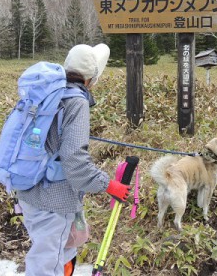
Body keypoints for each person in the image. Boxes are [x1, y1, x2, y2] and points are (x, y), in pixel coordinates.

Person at [16, 43, 131, 276]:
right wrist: (109, 185)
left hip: (28, 187)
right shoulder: (76, 101)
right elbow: (74, 160)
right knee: (47, 264)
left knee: (65, 248)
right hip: (53, 199)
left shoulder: (49, 92)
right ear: (91, 78)